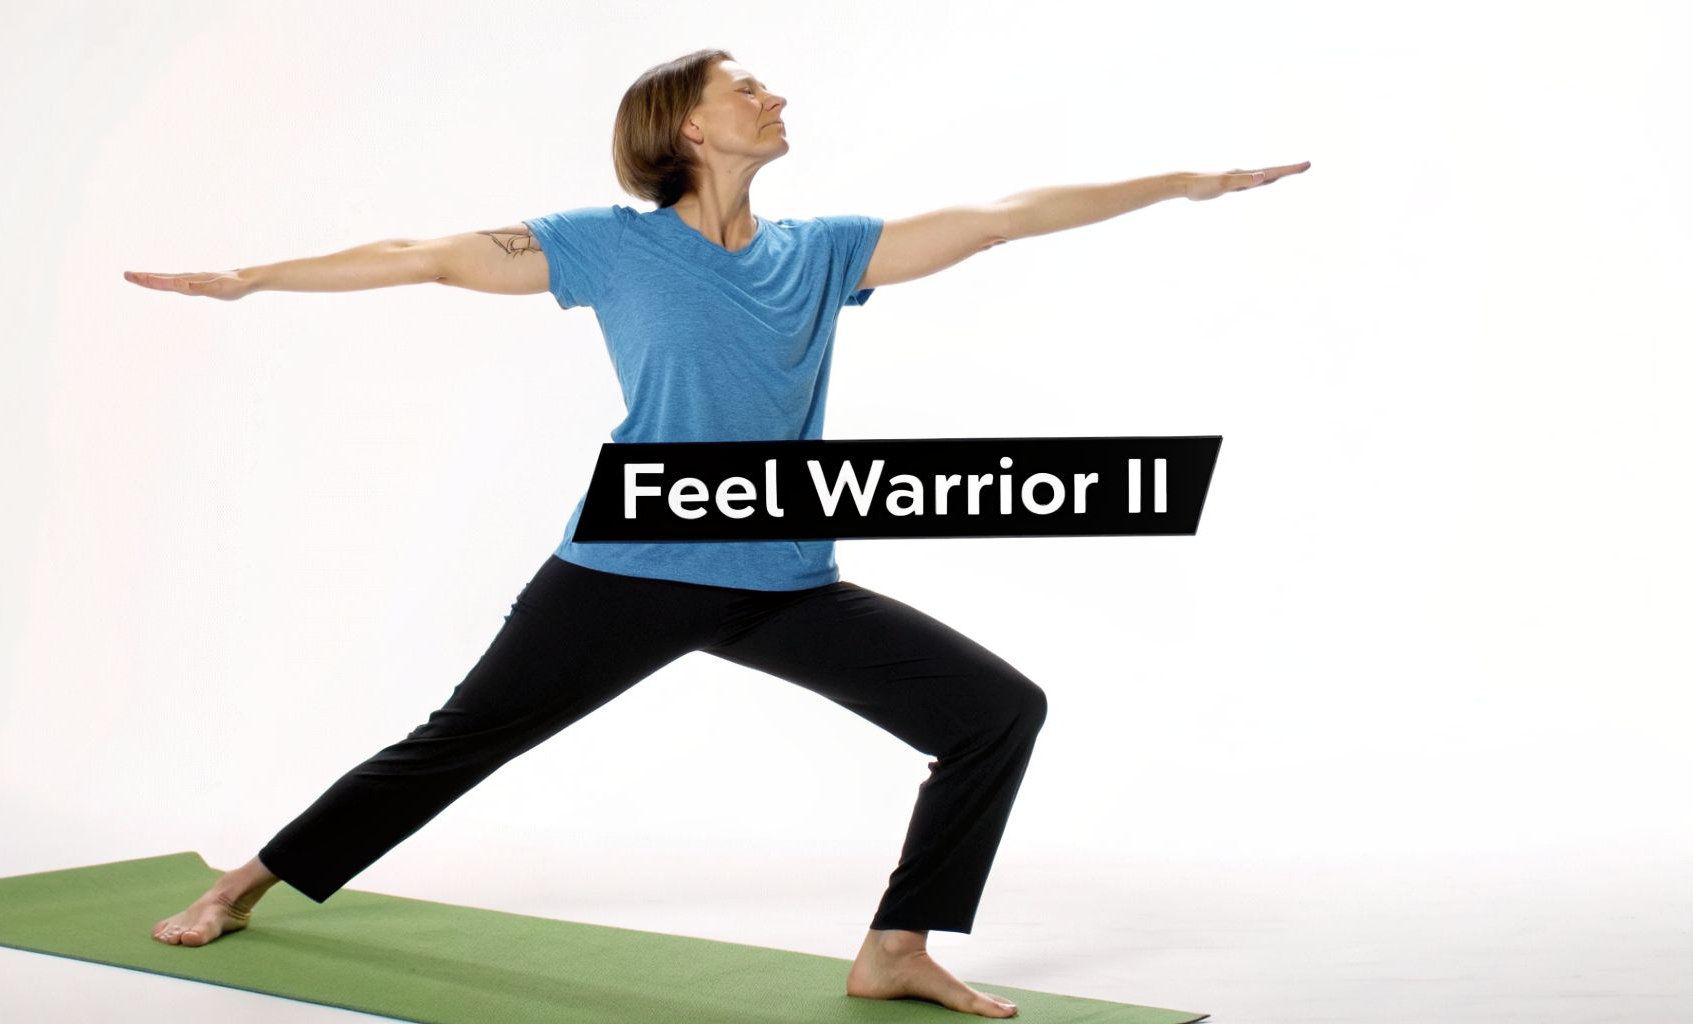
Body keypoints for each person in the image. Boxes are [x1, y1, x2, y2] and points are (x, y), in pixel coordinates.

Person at [126, 47, 1309, 1019]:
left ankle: (897, 944)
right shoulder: (607, 242)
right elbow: (425, 257)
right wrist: (250, 277)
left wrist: (1184, 183)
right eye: (746, 88)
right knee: (459, 741)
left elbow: (1000, 218)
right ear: (685, 129)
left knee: (994, 710)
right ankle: (246, 882)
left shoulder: (824, 253)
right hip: (625, 565)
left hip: (780, 568)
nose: (774, 96)